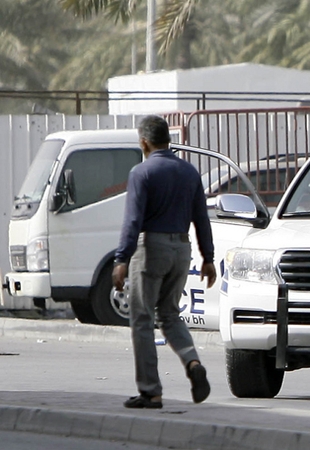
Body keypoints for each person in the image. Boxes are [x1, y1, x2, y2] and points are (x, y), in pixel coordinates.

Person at [113, 115, 216, 409]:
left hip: (151, 249)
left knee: (142, 318)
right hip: (181, 249)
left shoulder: (141, 173)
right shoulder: (189, 172)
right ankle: (192, 362)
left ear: (144, 142)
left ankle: (150, 391)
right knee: (169, 314)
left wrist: (121, 259)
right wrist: (207, 258)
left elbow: (133, 220)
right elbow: (201, 218)